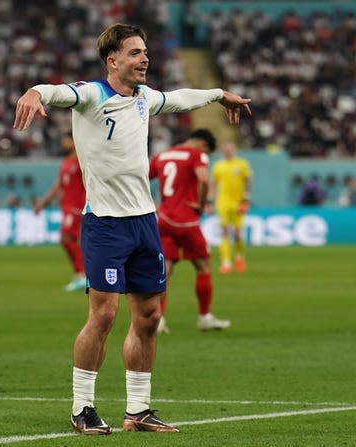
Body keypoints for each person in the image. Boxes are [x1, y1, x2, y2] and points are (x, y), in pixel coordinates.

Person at [13, 23, 251, 435]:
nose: (145, 58)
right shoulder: (91, 95)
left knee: (149, 315)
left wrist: (216, 93)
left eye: (146, 52)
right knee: (103, 315)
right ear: (113, 60)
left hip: (145, 221)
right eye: (136, 52)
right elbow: (56, 91)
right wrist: (35, 92)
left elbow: (178, 99)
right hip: (104, 224)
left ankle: (137, 410)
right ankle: (82, 407)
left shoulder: (144, 98)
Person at [149, 129, 231, 334]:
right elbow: (203, 179)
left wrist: (152, 204)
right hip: (186, 221)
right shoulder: (196, 155)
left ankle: (158, 320)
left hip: (164, 220)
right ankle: (205, 318)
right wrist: (202, 205)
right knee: (203, 267)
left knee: (164, 273)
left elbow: (140, 179)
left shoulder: (162, 155)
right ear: (203, 145)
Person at [34, 133, 87, 292]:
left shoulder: (82, 161)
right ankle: (81, 274)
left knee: (67, 238)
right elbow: (59, 185)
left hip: (77, 207)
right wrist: (44, 202)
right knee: (71, 239)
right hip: (67, 206)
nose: (63, 143)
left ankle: (82, 275)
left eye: (66, 140)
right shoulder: (65, 162)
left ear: (74, 140)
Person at [210, 142, 253, 274]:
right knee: (224, 232)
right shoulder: (218, 166)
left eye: (230, 149)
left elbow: (248, 181)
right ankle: (226, 263)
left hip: (238, 203)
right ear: (223, 151)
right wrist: (210, 201)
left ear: (235, 150)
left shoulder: (242, 164)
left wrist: (246, 198)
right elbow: (214, 185)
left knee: (238, 234)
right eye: (226, 150)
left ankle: (239, 257)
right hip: (223, 203)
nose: (228, 151)